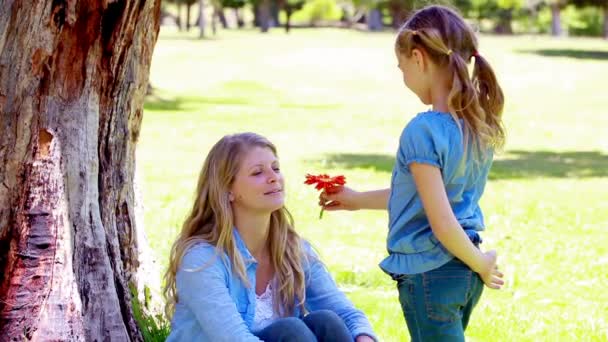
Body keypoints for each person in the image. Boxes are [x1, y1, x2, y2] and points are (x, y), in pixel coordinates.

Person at [319, 5, 505, 341]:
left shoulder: (423, 130)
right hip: (462, 273)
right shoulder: (476, 127)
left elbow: (442, 222)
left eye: (402, 67)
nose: (403, 77)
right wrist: (357, 200)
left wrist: (482, 262)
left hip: (431, 273)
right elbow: (425, 197)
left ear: (419, 59)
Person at [163, 132, 377, 342]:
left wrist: (363, 337)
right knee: (291, 331)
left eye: (275, 168)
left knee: (326, 321)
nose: (274, 177)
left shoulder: (293, 249)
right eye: (257, 172)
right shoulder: (202, 260)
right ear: (227, 189)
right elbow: (234, 339)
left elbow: (346, 313)